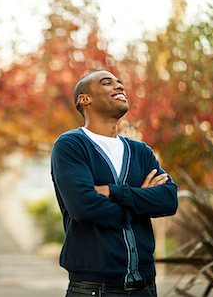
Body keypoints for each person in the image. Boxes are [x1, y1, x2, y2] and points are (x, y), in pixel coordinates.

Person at [51, 69, 178, 297]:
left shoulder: (140, 151)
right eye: (107, 83)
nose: (119, 86)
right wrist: (141, 200)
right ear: (84, 99)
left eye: (120, 83)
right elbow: (85, 208)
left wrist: (114, 192)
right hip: (93, 289)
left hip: (146, 287)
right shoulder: (70, 146)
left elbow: (169, 200)